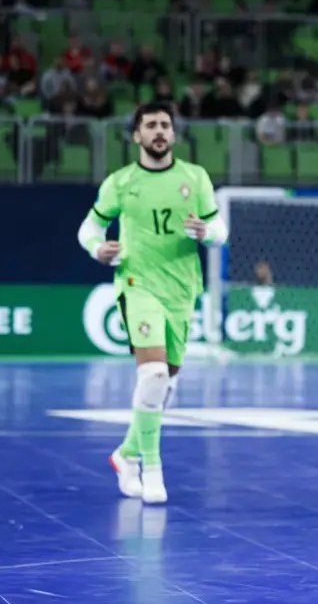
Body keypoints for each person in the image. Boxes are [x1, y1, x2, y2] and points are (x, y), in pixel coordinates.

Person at [76, 102, 229, 504]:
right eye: (150, 125)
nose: (159, 131)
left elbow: (219, 228)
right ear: (137, 136)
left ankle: (125, 454)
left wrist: (206, 234)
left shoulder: (194, 178)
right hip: (136, 284)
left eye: (165, 125)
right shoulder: (121, 183)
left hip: (181, 289)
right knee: (154, 375)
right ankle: (151, 469)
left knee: (166, 381)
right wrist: (97, 248)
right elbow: (89, 226)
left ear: (174, 135)